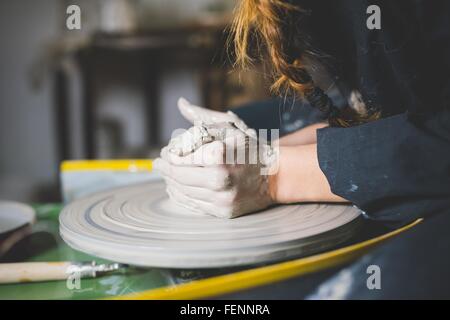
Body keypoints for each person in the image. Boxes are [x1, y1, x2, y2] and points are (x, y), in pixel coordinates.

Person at [155, 0, 450, 226]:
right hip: (394, 102)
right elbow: (363, 102)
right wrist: (251, 150)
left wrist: (272, 175)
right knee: (243, 125)